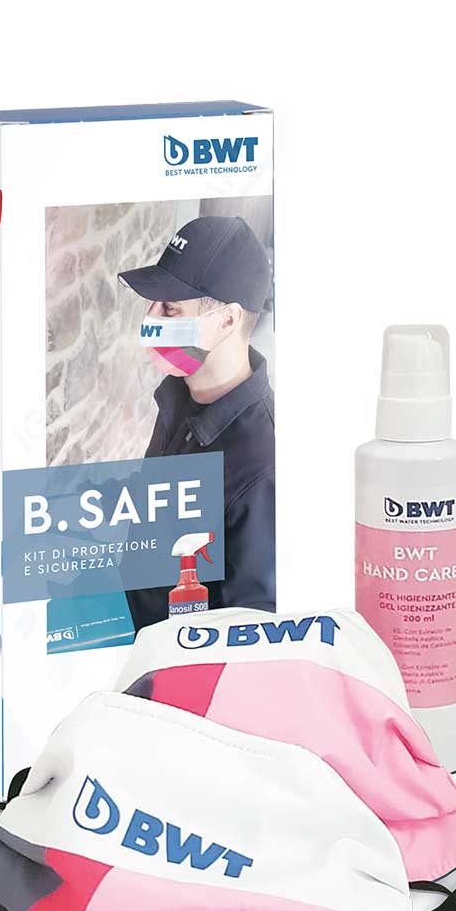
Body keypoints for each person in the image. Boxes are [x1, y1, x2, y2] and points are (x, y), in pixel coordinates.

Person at [118, 215, 274, 630]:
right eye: (154, 304)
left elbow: (254, 631)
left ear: (226, 321)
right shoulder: (179, 398)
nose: (150, 319)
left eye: (170, 308)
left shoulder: (262, 464)